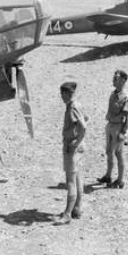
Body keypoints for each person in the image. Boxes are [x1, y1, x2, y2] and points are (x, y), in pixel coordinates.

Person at [55, 81, 87, 225]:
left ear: (69, 94)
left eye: (63, 94)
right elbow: (86, 118)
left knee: (70, 182)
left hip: (72, 148)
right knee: (78, 179)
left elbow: (83, 126)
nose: (61, 97)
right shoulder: (77, 105)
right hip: (78, 148)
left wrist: (76, 141)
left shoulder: (73, 107)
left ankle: (67, 214)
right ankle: (77, 209)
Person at [97, 70, 128, 189]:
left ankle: (120, 180)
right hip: (110, 125)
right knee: (108, 152)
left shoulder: (125, 97)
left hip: (118, 127)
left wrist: (123, 132)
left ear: (123, 80)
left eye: (115, 78)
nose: (113, 80)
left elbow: (127, 116)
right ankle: (108, 175)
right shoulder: (113, 93)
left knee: (118, 153)